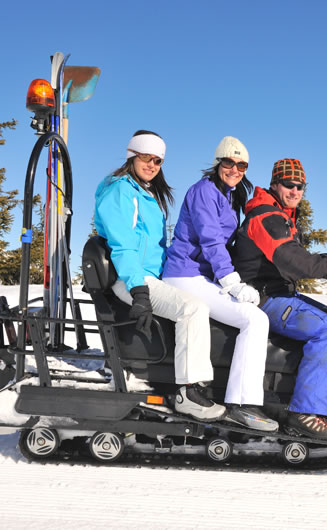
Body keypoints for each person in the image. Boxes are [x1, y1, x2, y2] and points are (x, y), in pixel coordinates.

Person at [94, 130, 225, 422]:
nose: (152, 165)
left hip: (149, 276)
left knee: (201, 301)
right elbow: (123, 245)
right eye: (146, 157)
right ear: (132, 156)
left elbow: (155, 247)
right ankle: (189, 393)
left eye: (158, 160)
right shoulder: (121, 191)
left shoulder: (147, 194)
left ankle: (199, 381)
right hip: (130, 278)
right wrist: (139, 289)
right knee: (192, 309)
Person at [162, 136, 278, 432]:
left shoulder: (228, 195)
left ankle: (241, 399)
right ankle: (242, 404)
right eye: (229, 162)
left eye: (242, 165)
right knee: (254, 319)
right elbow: (212, 241)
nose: (235, 169)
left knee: (253, 316)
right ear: (217, 162)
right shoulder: (204, 191)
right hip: (184, 275)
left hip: (201, 276)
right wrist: (232, 283)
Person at [234, 158, 327, 440]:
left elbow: (292, 255)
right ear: (275, 184)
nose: (295, 191)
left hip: (276, 292)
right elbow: (289, 257)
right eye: (289, 184)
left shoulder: (280, 214)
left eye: (300, 186)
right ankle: (304, 413)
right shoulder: (267, 216)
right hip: (262, 297)